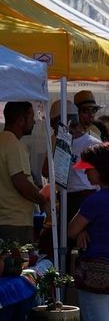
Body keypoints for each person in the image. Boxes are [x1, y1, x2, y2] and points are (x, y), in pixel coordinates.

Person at [68, 142, 109, 321]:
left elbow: (72, 230)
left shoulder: (95, 200)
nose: (85, 173)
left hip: (94, 272)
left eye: (88, 169)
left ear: (100, 169)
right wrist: (85, 229)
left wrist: (82, 230)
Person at [40, 100, 101, 260]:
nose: (53, 129)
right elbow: (45, 170)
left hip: (85, 199)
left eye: (54, 124)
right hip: (64, 199)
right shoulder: (56, 141)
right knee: (59, 246)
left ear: (62, 122)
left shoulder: (92, 144)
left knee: (83, 248)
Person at [0, 102, 48, 243]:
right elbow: (20, 182)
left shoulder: (4, 140)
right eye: (31, 117)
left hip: (7, 220)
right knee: (20, 264)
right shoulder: (14, 144)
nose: (34, 122)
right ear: (21, 120)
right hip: (15, 222)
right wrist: (42, 200)